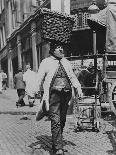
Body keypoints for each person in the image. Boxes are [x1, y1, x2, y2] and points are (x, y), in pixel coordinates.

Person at [36, 42, 83, 155]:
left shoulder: (66, 62)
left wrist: (78, 88)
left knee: (62, 120)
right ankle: (58, 148)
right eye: (58, 47)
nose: (61, 50)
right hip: (53, 95)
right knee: (55, 120)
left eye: (61, 47)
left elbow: (72, 76)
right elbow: (39, 77)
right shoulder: (46, 62)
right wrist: (35, 90)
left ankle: (56, 142)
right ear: (52, 50)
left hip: (66, 94)